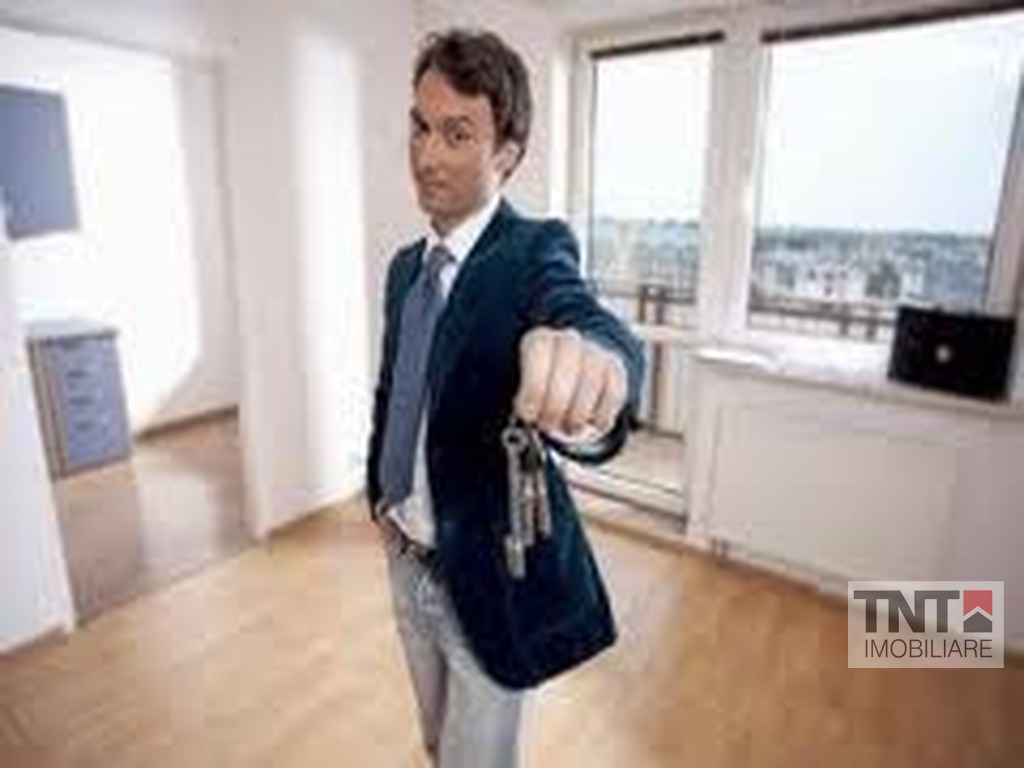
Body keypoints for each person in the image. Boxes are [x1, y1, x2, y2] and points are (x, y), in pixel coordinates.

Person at [366, 28, 644, 768]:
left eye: (457, 134)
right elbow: (394, 389)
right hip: (405, 555)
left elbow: (583, 320)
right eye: (420, 127)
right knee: (437, 745)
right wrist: (381, 499)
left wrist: (600, 368)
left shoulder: (532, 251)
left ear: (506, 154)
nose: (426, 154)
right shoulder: (404, 269)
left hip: (484, 579)